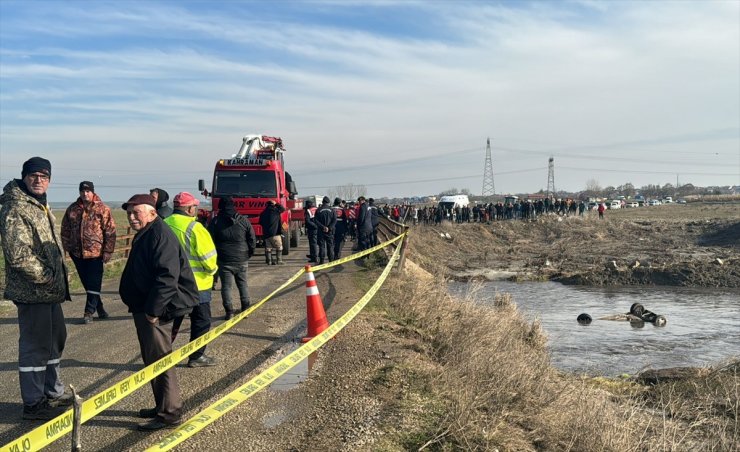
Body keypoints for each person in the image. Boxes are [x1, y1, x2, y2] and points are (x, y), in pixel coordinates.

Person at [0, 157, 73, 420]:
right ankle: (33, 402)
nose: (38, 180)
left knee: (54, 342)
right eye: (33, 175)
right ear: (24, 177)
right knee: (34, 347)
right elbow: (19, 255)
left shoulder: (39, 205)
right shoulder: (15, 207)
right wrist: (48, 278)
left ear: (50, 179)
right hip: (33, 292)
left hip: (49, 292)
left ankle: (52, 392)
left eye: (44, 176)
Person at [119, 194, 199, 431]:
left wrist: (153, 311)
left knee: (160, 360)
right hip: (145, 306)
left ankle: (169, 414)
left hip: (157, 310)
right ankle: (161, 405)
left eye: (137, 213)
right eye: (129, 213)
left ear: (152, 213)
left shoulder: (159, 235)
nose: (132, 217)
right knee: (151, 359)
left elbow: (167, 277)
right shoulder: (148, 232)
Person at [164, 192, 219, 367]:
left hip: (170, 284)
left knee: (171, 322)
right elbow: (208, 259)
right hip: (198, 285)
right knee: (201, 321)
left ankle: (161, 356)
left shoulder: (163, 225)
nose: (196, 210)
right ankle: (196, 356)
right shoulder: (195, 228)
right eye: (194, 207)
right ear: (189, 209)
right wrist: (213, 271)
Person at [61, 181, 117, 324]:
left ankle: (88, 312)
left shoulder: (103, 209)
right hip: (77, 253)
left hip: (96, 253)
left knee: (94, 281)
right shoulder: (72, 209)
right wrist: (66, 247)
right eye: (82, 191)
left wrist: (108, 250)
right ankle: (100, 308)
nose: (85, 194)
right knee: (87, 283)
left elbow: (110, 231)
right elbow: (65, 229)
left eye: (87, 191)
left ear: (92, 192)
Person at [208, 196, 256, 320]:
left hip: (224, 258)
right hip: (242, 257)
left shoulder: (216, 221)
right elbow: (252, 239)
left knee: (226, 287)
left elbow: (209, 240)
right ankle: (245, 309)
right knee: (243, 285)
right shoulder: (244, 221)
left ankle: (229, 312)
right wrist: (249, 253)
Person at [258, 200, 285, 265]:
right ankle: (279, 260)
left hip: (266, 234)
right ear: (273, 205)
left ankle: (269, 261)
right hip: (275, 233)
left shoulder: (262, 213)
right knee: (279, 247)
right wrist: (276, 204)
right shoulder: (275, 211)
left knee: (268, 248)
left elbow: (260, 222)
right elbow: (283, 209)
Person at [315, 196, 336, 264]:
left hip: (321, 231)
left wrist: (323, 227)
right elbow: (334, 220)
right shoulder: (332, 210)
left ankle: (322, 261)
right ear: (329, 202)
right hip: (330, 231)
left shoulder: (318, 210)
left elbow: (316, 220)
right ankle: (331, 260)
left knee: (322, 246)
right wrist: (329, 228)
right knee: (330, 246)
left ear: (322, 202)